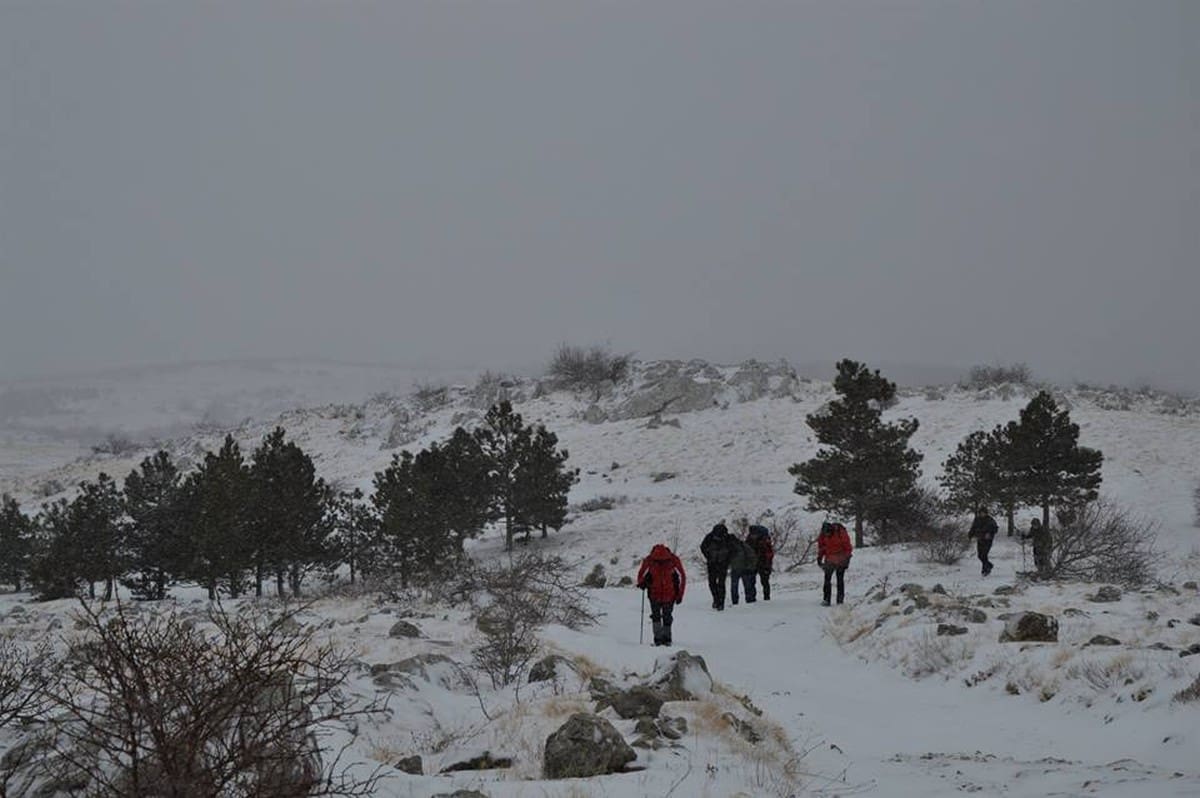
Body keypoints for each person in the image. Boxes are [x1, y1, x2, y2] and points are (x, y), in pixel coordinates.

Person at [636, 544, 686, 646]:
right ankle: (667, 639)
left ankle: (658, 639)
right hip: (670, 594)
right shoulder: (673, 559)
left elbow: (640, 576)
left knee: (656, 616)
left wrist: (643, 582)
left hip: (654, 594)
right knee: (667, 616)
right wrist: (680, 594)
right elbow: (682, 576)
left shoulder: (649, 560)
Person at [700, 522, 736, 610]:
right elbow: (703, 547)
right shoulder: (711, 537)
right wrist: (709, 557)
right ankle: (718, 600)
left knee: (718, 583)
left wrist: (727, 559)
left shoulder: (726, 538)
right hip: (715, 563)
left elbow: (733, 549)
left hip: (720, 563)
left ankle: (719, 602)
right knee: (715, 583)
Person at [816, 521, 852, 606]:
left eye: (828, 533)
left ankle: (840, 600)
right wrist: (819, 557)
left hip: (841, 558)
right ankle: (826, 600)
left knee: (840, 579)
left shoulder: (840, 533)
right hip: (829, 559)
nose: (827, 535)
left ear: (831, 530)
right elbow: (822, 547)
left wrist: (847, 558)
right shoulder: (822, 535)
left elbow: (848, 547)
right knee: (827, 579)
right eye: (825, 534)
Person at [746, 524, 775, 601]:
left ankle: (766, 597)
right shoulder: (750, 539)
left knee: (764, 581)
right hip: (755, 563)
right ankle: (753, 598)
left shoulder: (764, 540)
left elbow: (769, 554)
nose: (752, 535)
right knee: (753, 581)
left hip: (763, 563)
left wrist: (767, 564)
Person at [968, 507, 999, 576]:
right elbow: (973, 528)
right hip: (980, 539)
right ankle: (989, 565)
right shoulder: (977, 520)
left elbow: (995, 529)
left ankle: (985, 569)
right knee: (980, 555)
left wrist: (989, 533)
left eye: (983, 513)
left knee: (984, 555)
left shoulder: (990, 520)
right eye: (981, 513)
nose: (982, 514)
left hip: (988, 540)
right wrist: (970, 535)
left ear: (986, 513)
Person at [728, 535, 758, 605]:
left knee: (735, 587)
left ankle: (736, 601)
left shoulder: (740, 546)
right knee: (746, 586)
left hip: (740, 569)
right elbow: (752, 556)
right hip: (742, 569)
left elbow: (752, 556)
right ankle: (748, 600)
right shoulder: (742, 545)